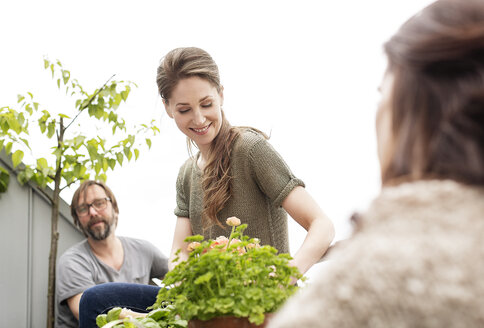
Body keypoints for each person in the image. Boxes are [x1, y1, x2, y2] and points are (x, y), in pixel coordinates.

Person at [268, 0, 484, 326]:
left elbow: (321, 224)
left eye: (385, 93)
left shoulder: (357, 291)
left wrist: (283, 279)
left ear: (406, 108)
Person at [158, 46, 335, 275]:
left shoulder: (250, 150)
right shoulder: (186, 174)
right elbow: (179, 251)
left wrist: (284, 277)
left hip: (268, 305)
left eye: (206, 104)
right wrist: (183, 280)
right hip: (214, 307)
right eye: (184, 110)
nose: (199, 118)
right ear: (168, 108)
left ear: (221, 95)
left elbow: (322, 225)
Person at [55, 180, 168, 328]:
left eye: (99, 203)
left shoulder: (144, 250)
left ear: (114, 208)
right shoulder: (72, 262)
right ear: (77, 219)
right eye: (83, 208)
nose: (93, 212)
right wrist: (161, 318)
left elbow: (179, 275)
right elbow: (90, 312)